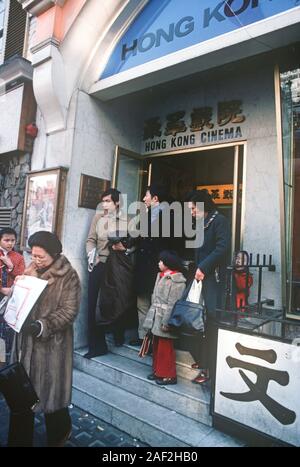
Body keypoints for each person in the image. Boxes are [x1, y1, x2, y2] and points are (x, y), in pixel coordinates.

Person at [7, 231, 81, 447]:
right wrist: (16, 291)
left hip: (51, 349)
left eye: (41, 257)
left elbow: (70, 311)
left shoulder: (69, 276)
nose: (36, 261)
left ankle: (59, 436)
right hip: (25, 347)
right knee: (21, 403)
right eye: (33, 255)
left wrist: (42, 325)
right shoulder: (30, 269)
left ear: (55, 255)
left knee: (53, 401)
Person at [188, 190, 231, 384]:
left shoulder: (219, 220)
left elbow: (222, 248)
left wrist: (203, 267)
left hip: (213, 279)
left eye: (193, 208)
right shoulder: (200, 223)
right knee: (199, 320)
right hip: (201, 278)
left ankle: (210, 368)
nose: (191, 212)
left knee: (212, 322)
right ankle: (202, 360)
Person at [85, 188, 128, 357]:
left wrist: (126, 248)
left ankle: (118, 332)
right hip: (100, 263)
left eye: (108, 201)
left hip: (118, 266)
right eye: (103, 201)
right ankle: (96, 346)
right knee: (93, 304)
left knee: (117, 301)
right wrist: (92, 255)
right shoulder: (98, 217)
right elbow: (90, 240)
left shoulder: (126, 219)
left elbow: (135, 243)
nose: (105, 204)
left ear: (117, 202)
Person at [131, 184, 171, 346]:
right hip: (143, 267)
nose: (143, 199)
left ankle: (155, 340)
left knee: (157, 305)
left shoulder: (168, 217)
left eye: (146, 195)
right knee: (142, 303)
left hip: (157, 267)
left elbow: (169, 244)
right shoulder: (146, 215)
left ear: (155, 198)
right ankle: (143, 338)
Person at [143, 251, 186, 385]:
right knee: (157, 346)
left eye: (161, 261)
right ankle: (158, 371)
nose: (159, 263)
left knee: (165, 348)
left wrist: (166, 321)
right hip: (157, 316)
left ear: (168, 263)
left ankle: (169, 375)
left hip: (164, 318)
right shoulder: (160, 276)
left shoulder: (177, 280)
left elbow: (173, 303)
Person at [0, 227, 25, 368]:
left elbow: (23, 276)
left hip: (10, 298)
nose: (10, 243)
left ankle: (5, 362)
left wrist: (10, 266)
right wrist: (1, 289)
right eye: (6, 240)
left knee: (6, 329)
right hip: (2, 292)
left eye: (13, 240)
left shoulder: (18, 257)